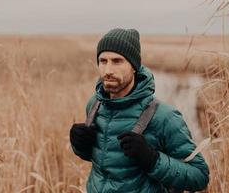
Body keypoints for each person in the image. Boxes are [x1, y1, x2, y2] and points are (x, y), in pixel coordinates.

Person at [69, 28, 209, 193]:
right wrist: (80, 146)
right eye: (103, 61)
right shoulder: (95, 105)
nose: (107, 70)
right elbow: (107, 160)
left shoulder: (164, 117)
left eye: (117, 61)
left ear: (134, 66)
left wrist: (152, 159)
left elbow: (200, 177)